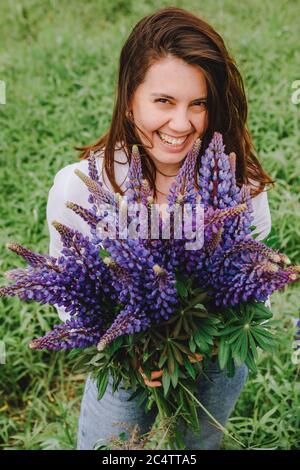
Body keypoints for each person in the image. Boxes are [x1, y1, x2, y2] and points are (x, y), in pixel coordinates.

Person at [46, 7, 274, 450]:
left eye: (199, 103)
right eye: (163, 101)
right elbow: (66, 287)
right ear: (129, 101)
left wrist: (208, 336)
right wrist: (129, 349)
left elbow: (253, 269)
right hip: (124, 358)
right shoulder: (81, 186)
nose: (181, 124)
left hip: (212, 355)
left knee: (198, 445)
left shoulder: (235, 177)